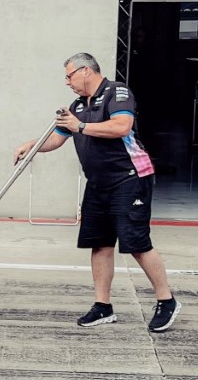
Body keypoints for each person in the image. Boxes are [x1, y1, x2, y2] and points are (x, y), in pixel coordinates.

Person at [13, 53, 180, 332]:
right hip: (98, 182)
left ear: (86, 71)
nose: (67, 82)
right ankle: (103, 306)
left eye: (69, 76)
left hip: (129, 178)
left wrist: (80, 126)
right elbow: (57, 138)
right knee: (100, 243)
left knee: (136, 243)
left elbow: (121, 126)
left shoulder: (117, 92)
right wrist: (30, 145)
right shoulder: (78, 104)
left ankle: (167, 300)